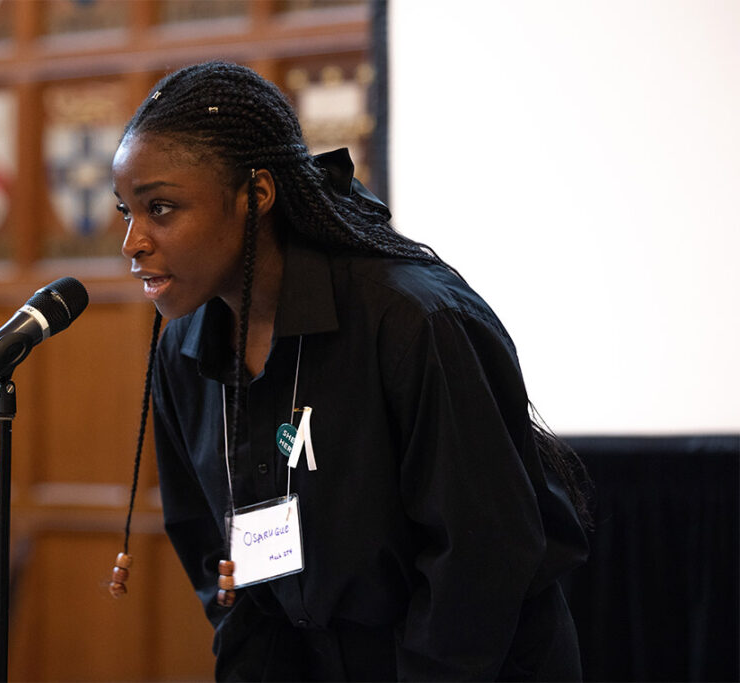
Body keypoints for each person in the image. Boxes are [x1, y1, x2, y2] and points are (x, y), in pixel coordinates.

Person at [110, 61, 591, 681]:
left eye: (162, 208)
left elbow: (478, 561)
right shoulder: (184, 355)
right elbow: (225, 568)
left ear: (256, 196)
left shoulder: (415, 322)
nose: (133, 241)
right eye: (126, 211)